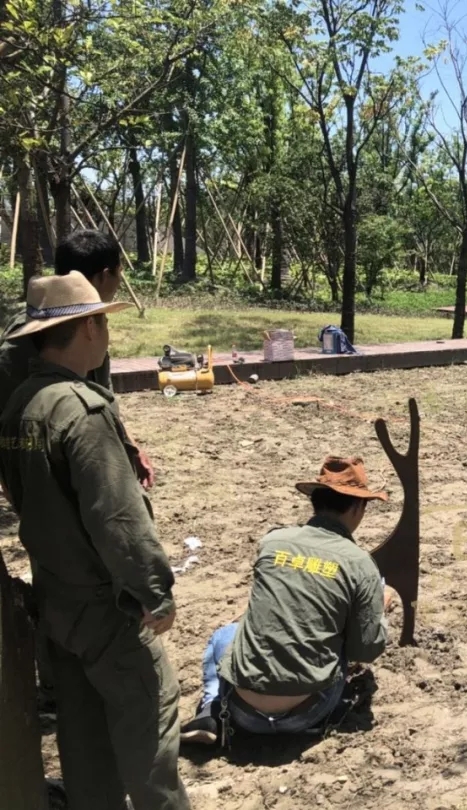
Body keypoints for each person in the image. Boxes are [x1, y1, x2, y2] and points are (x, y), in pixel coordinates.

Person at [0, 272, 189, 810]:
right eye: (102, 322)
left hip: (57, 603)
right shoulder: (82, 411)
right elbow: (118, 517)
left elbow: (18, 495)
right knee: (150, 726)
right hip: (107, 608)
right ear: (87, 328)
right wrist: (154, 590)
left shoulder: (20, 406)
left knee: (83, 742)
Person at [180, 456, 394, 747]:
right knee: (341, 634)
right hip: (308, 712)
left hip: (242, 710)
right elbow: (365, 649)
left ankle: (210, 709)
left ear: (316, 502)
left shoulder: (273, 542)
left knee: (224, 635)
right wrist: (379, 610)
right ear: (358, 507)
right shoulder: (360, 563)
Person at [0, 229, 155, 488]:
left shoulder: (91, 324)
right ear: (105, 275)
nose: (119, 281)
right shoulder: (29, 337)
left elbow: (101, 395)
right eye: (119, 273)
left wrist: (130, 444)